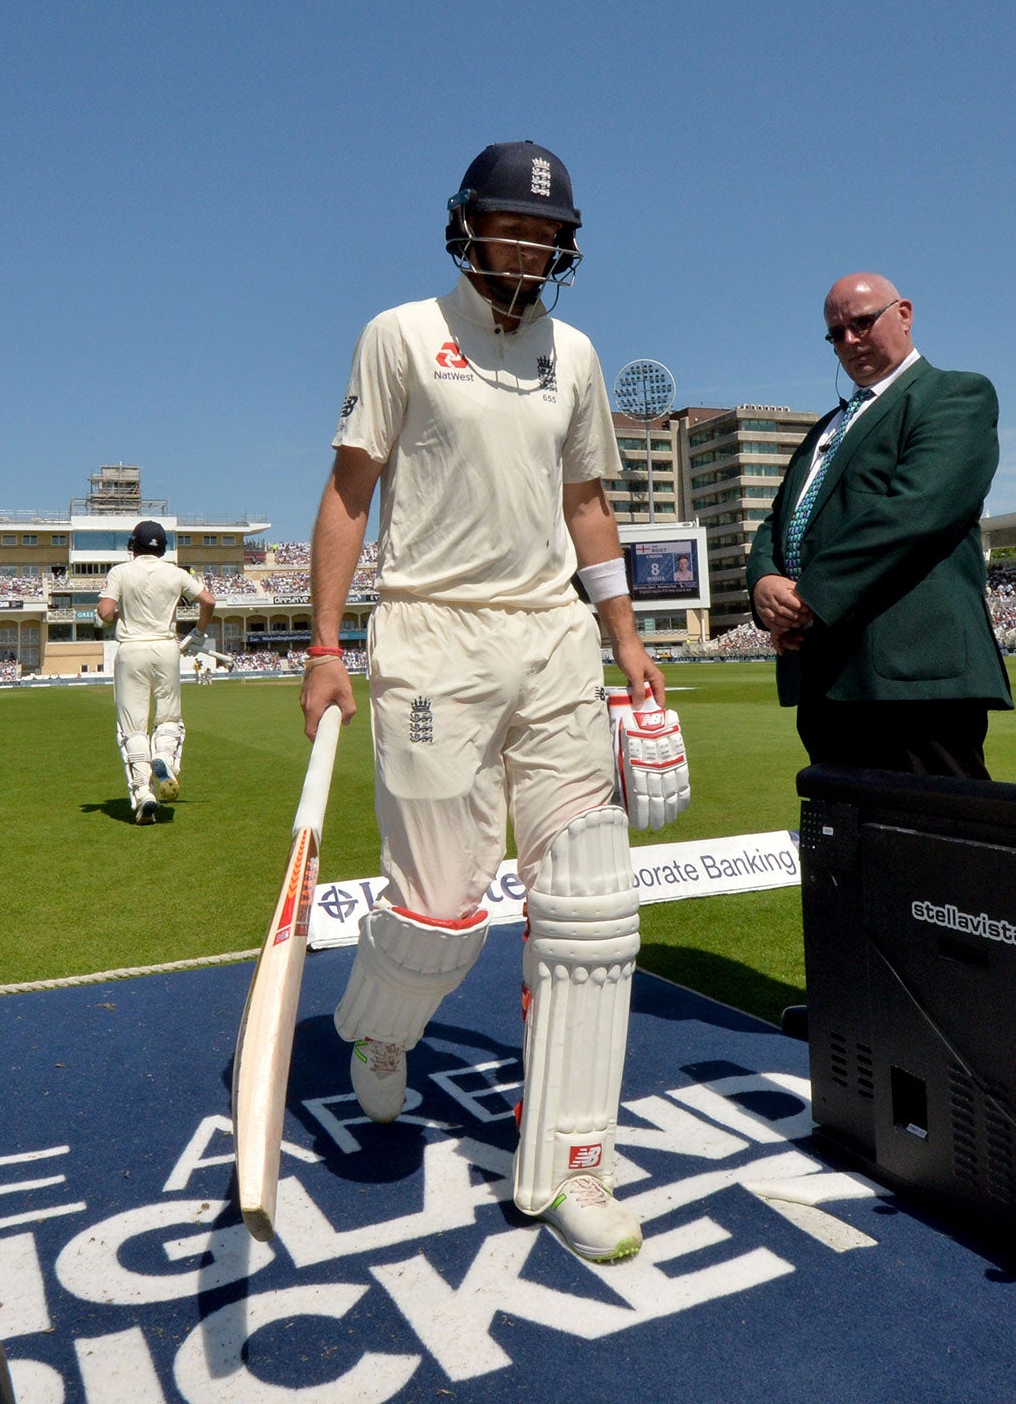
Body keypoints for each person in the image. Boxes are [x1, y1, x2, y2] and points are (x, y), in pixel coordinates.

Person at [299, 140, 685, 1264]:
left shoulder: (573, 352)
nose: (526, 244)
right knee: (437, 918)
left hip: (553, 644)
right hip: (431, 639)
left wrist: (623, 634)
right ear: (465, 224)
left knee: (592, 910)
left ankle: (571, 1163)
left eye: (544, 232)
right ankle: (375, 1029)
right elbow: (346, 494)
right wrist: (325, 645)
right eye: (508, 224)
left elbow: (587, 505)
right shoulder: (399, 333)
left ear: (564, 246)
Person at [746, 273, 1011, 778]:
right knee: (850, 844)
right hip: (825, 678)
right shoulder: (827, 428)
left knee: (939, 841)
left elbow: (916, 514)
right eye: (836, 333)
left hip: (914, 680)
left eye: (863, 323)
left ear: (904, 314)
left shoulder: (953, 395)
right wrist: (763, 582)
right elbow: (776, 523)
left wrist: (807, 598)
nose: (849, 341)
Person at [97, 520, 214, 822]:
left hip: (131, 651)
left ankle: (144, 793)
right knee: (168, 719)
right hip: (166, 650)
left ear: (132, 545)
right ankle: (163, 757)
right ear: (163, 548)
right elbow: (208, 601)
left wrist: (122, 613)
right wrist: (198, 633)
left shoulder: (120, 572)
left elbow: (105, 613)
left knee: (133, 728)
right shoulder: (175, 573)